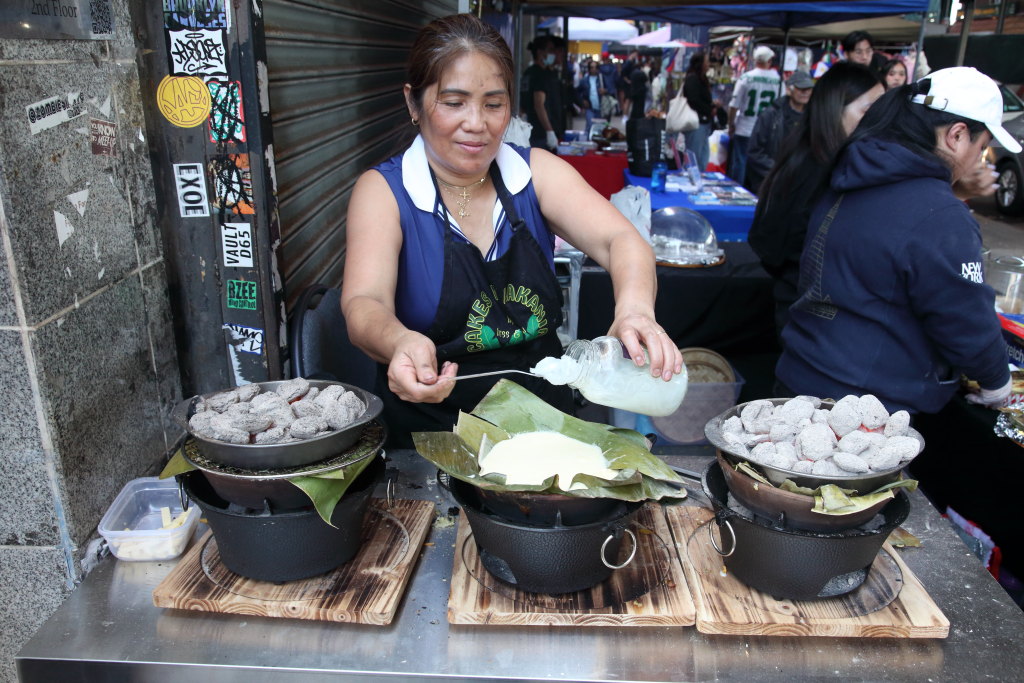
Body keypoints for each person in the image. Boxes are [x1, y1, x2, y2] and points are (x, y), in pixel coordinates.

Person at [341, 14, 682, 447]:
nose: (477, 123)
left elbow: (622, 240)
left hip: (544, 434)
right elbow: (362, 303)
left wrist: (634, 310)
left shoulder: (535, 173)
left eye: (493, 103)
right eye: (453, 102)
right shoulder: (384, 192)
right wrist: (399, 340)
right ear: (413, 103)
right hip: (429, 439)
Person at [777, 67, 1020, 414]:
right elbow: (964, 318)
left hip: (800, 376)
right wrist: (997, 382)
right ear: (956, 135)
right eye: (981, 148)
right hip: (864, 410)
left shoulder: (854, 170)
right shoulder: (938, 213)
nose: (976, 161)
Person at [747, 63, 883, 337]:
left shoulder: (811, 156)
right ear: (835, 109)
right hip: (812, 320)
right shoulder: (823, 170)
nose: (881, 120)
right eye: (870, 110)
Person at [745, 70, 814, 194]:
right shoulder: (771, 115)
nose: (806, 93)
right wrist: (778, 171)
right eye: (801, 89)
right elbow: (754, 151)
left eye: (809, 89)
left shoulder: (813, 117)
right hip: (772, 183)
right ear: (789, 90)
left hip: (801, 184)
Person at [728, 45, 780, 187]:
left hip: (745, 127)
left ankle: (737, 192)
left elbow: (734, 105)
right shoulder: (778, 81)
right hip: (768, 130)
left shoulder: (746, 78)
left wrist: (731, 124)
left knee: (741, 162)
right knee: (761, 165)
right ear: (769, 60)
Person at [521, 35, 562, 150]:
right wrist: (549, 130)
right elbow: (539, 104)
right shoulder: (541, 75)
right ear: (540, 52)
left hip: (530, 130)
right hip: (540, 133)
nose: (553, 53)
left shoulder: (528, 72)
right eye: (550, 50)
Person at [682, 52, 714, 173]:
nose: (708, 64)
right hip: (696, 122)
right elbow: (693, 100)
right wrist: (709, 109)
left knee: (702, 157)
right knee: (694, 157)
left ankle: (697, 180)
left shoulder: (701, 78)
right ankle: (690, 181)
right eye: (706, 61)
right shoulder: (693, 79)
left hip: (703, 122)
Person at [577, 60, 614, 135]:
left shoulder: (602, 79)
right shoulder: (584, 80)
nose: (593, 69)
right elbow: (577, 92)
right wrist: (582, 101)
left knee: (602, 128)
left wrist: (605, 91)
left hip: (602, 108)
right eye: (591, 67)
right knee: (590, 126)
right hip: (590, 108)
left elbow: (611, 89)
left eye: (595, 67)